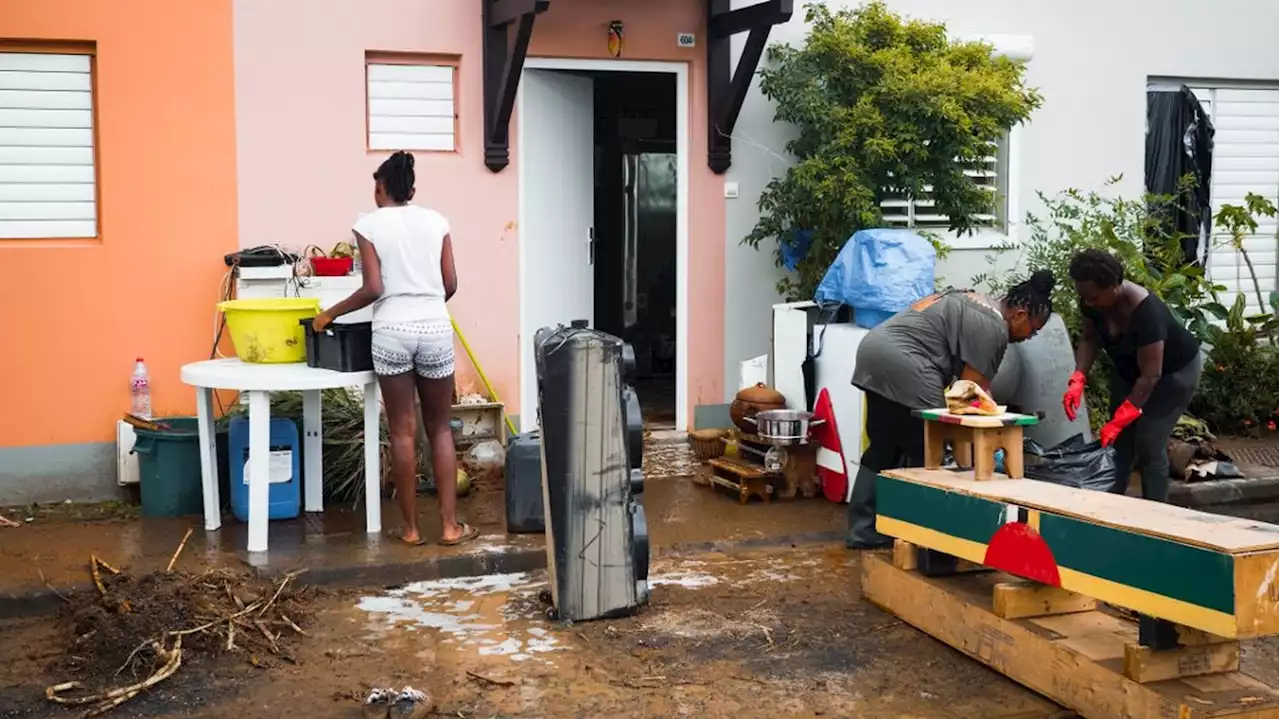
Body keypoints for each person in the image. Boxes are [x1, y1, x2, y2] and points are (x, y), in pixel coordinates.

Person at [314, 151, 477, 547]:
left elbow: (373, 288)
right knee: (439, 429)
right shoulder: (437, 221)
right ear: (413, 190)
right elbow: (450, 283)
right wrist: (428, 300)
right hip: (434, 327)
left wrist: (329, 315)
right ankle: (451, 528)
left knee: (402, 433)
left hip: (392, 331)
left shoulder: (368, 225)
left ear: (380, 187)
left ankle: (411, 530)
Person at [845, 271, 1056, 549]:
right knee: (928, 452)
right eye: (1034, 329)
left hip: (875, 351)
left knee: (883, 447)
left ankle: (864, 530)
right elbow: (968, 395)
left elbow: (974, 389)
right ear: (1019, 314)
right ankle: (926, 538)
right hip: (908, 364)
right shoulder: (994, 328)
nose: (1031, 337)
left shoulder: (974, 299)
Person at [1062, 249, 1203, 502]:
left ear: (1114, 286)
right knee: (1119, 442)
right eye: (1084, 298)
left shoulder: (1148, 313)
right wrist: (1078, 378)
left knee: (1149, 442)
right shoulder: (1092, 301)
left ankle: (1156, 515)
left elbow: (1151, 376)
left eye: (1093, 297)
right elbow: (1089, 337)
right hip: (1130, 371)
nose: (1089, 303)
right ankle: (1113, 504)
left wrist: (1122, 417)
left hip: (1172, 376)